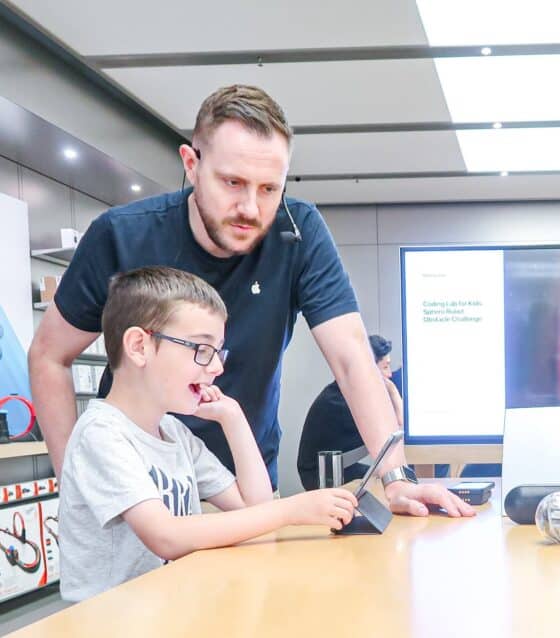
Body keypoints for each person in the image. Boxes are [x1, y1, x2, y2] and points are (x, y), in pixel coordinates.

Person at [28, 84, 473, 519]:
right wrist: (77, 484)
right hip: (137, 483)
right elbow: (50, 355)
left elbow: (352, 357)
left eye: (268, 188)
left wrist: (396, 478)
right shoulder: (122, 235)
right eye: (233, 182)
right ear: (191, 163)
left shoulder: (297, 232)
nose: (250, 208)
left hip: (246, 485)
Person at [58, 267, 357, 602]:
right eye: (202, 349)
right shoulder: (101, 434)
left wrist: (234, 418)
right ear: (139, 346)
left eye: (218, 351)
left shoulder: (173, 432)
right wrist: (292, 510)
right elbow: (165, 536)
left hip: (168, 608)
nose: (217, 367)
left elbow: (253, 508)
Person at [297, 335, 402, 490]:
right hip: (321, 474)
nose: (390, 374)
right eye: (385, 367)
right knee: (388, 483)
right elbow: (397, 428)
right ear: (371, 369)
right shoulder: (341, 400)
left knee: (388, 480)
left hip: (340, 465)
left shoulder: (347, 390)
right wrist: (393, 391)